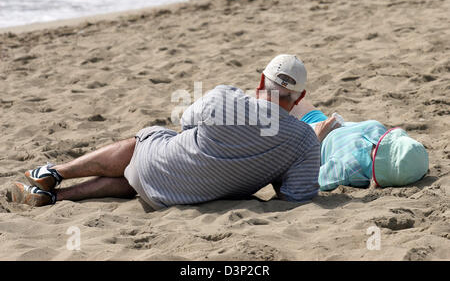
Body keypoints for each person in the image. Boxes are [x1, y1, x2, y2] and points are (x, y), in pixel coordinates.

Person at [9, 54, 323, 209]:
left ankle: (54, 172)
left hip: (163, 168)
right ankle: (56, 197)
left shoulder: (224, 97)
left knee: (146, 141)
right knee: (142, 173)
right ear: (300, 98)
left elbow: (186, 123)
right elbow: (293, 197)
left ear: (259, 82)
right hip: (192, 194)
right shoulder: (304, 141)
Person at [292, 100, 429, 191]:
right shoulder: (378, 130)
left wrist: (315, 140)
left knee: (275, 101)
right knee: (277, 86)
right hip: (319, 123)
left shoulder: (348, 169)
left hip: (297, 144)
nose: (376, 148)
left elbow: (302, 182)